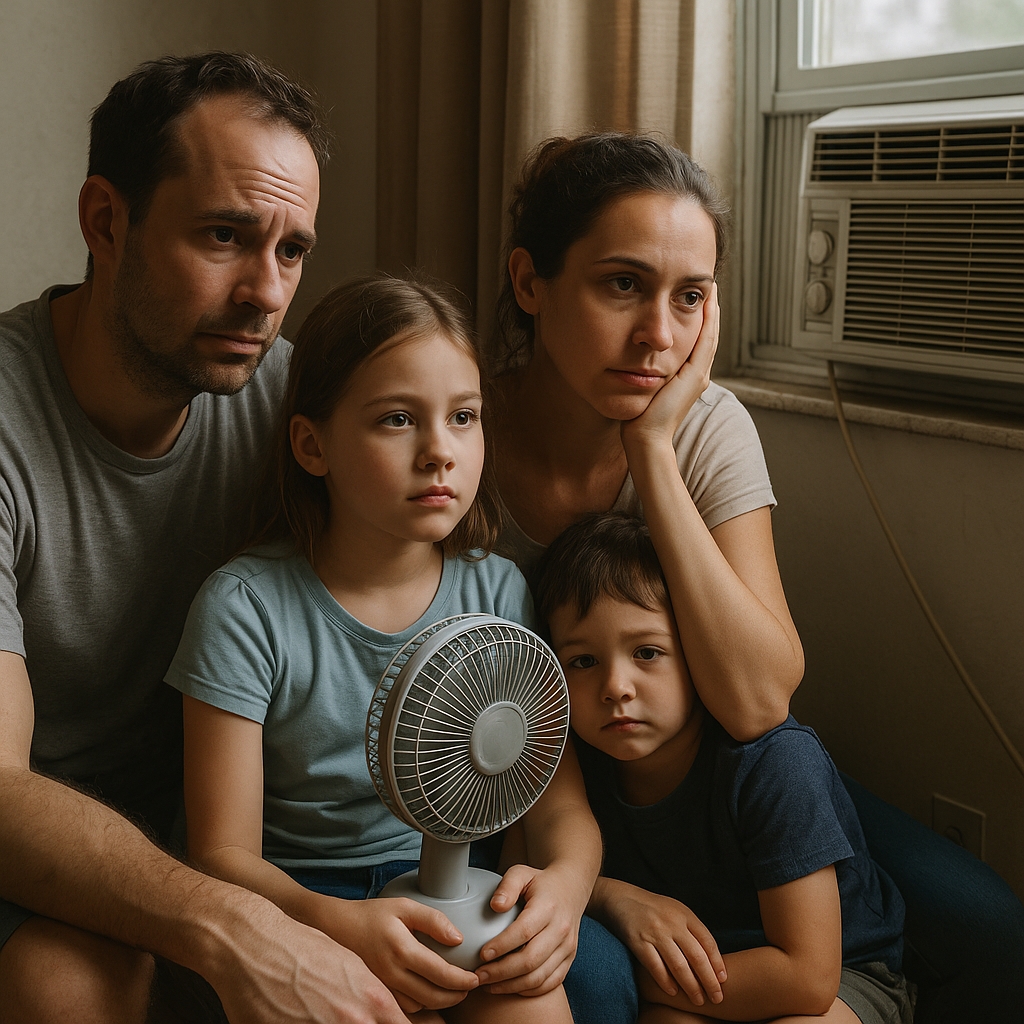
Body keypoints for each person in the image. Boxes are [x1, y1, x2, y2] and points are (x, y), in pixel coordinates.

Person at [489, 131, 1024, 1024]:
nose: (659, 333)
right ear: (530, 282)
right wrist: (608, 889)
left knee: (994, 934)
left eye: (689, 297)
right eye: (623, 284)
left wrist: (652, 452)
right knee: (603, 985)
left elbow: (758, 701)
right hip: (555, 797)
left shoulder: (706, 428)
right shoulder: (453, 432)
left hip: (722, 772)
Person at [0, 52, 410, 1023]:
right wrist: (233, 927)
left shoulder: (296, 407)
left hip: (226, 820)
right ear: (107, 220)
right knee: (73, 981)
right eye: (225, 235)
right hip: (39, 838)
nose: (267, 293)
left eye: (293, 250)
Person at [165, 276, 599, 1023]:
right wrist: (334, 925)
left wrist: (565, 886)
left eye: (464, 417)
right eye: (398, 419)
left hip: (460, 891)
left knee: (534, 1005)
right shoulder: (246, 609)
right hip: (302, 902)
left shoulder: (499, 596)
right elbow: (222, 856)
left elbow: (561, 805)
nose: (440, 452)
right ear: (312, 444)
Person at [532, 510, 913, 1024]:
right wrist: (612, 897)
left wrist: (627, 981)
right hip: (695, 973)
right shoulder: (574, 759)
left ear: (699, 649)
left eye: (647, 652)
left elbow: (807, 979)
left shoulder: (774, 764)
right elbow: (528, 869)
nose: (615, 687)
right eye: (582, 661)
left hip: (838, 975)